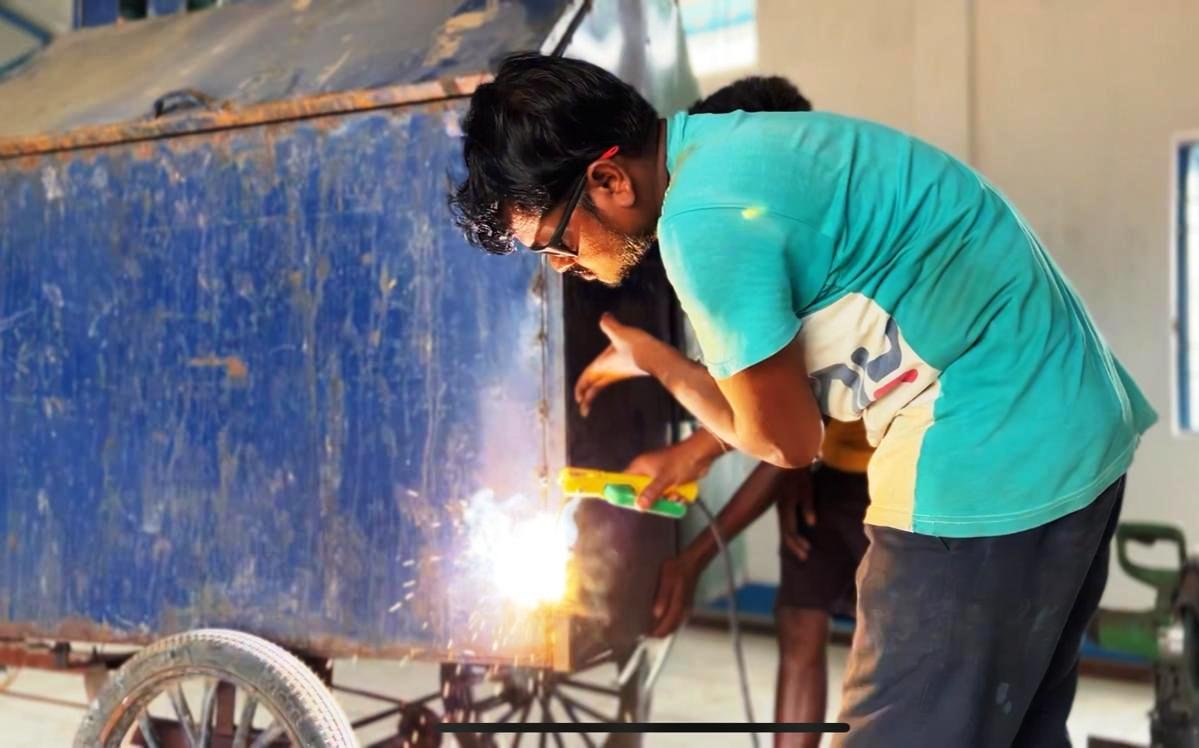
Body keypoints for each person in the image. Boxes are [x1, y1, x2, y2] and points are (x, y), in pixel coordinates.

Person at [450, 53, 1157, 747]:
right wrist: (679, 405)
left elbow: (786, 442)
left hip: (987, 445)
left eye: (554, 240)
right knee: (1019, 729)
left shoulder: (700, 220)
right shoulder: (730, 150)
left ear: (608, 178)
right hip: (1073, 422)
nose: (561, 265)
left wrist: (662, 364)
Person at [571, 76, 872, 748]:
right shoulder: (751, 243)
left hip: (901, 471)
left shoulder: (778, 240)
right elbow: (784, 428)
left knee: (885, 660)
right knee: (799, 624)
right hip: (827, 470)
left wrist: (688, 439)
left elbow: (783, 428)